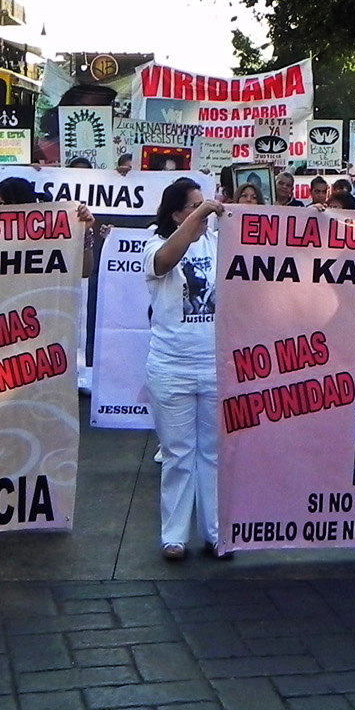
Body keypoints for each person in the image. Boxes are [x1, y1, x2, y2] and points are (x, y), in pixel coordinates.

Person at [145, 178, 231, 560]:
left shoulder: (217, 239)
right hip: (170, 366)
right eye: (194, 205)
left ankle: (215, 532)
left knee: (214, 453)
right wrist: (196, 220)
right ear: (178, 213)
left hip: (217, 365)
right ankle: (174, 536)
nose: (205, 210)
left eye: (205, 203)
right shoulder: (154, 241)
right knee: (178, 453)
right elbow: (165, 262)